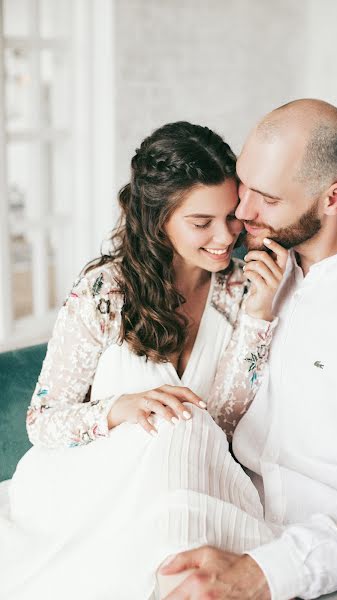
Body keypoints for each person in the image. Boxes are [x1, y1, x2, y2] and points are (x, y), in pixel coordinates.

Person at [0, 121, 284, 599]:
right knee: (178, 427)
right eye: (201, 222)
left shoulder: (244, 286)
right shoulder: (105, 290)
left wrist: (258, 316)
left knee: (188, 426)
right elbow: (41, 422)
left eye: (233, 216)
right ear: (158, 219)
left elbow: (228, 425)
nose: (226, 236)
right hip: (91, 494)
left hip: (194, 485)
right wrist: (120, 409)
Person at [158, 100, 337, 599]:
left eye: (266, 198)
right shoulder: (244, 273)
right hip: (209, 512)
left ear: (333, 198)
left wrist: (260, 574)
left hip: (318, 559)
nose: (241, 213)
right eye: (244, 185)